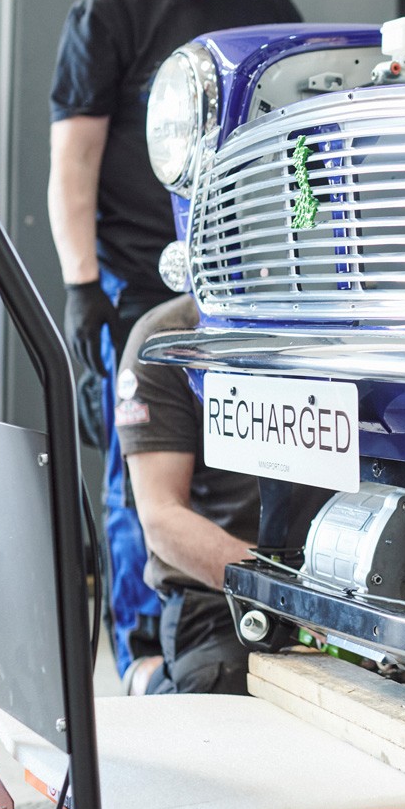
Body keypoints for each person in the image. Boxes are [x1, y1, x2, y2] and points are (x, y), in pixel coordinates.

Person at [48, 0, 304, 678]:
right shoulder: (112, 16)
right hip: (136, 282)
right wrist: (82, 287)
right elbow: (73, 167)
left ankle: (264, 627)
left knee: (257, 470)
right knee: (141, 487)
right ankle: (143, 657)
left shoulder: (272, 15)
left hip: (251, 286)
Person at [115, 297, 332, 694]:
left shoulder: (350, 321)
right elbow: (161, 516)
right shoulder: (167, 337)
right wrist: (289, 596)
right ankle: (152, 680)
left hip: (349, 584)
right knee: (229, 706)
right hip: (221, 596)